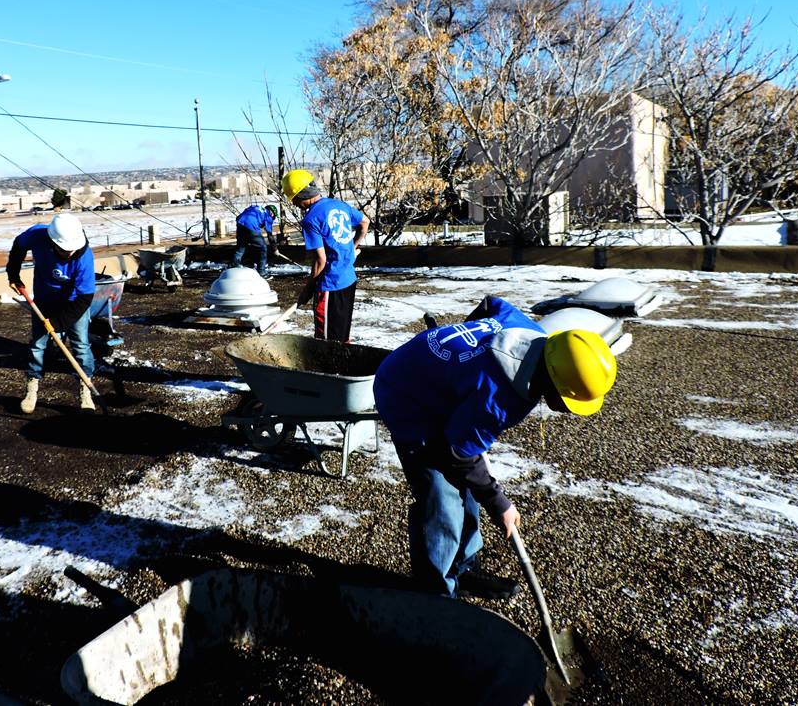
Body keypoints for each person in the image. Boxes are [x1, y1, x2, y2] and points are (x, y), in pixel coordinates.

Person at [373, 295, 618, 600]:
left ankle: (463, 567)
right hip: (405, 395)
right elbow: (459, 453)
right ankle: (434, 590)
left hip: (430, 378)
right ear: (553, 381)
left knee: (469, 484)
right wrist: (499, 502)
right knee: (443, 496)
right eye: (570, 403)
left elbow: (492, 304)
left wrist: (460, 362)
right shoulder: (498, 399)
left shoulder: (530, 332)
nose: (569, 410)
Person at [6, 212, 96, 414]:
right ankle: (32, 387)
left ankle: (85, 387)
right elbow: (18, 246)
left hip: (73, 302)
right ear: (53, 241)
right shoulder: (38, 235)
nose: (70, 254)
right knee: (37, 345)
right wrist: (13, 274)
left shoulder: (84, 258)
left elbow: (85, 298)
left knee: (81, 345)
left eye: (72, 250)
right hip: (44, 299)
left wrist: (58, 323)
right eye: (65, 250)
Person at [281, 169, 369, 342]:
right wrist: (352, 247)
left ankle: (330, 369)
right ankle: (342, 366)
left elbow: (320, 261)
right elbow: (365, 222)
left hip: (330, 285)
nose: (295, 205)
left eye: (294, 200)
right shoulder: (339, 205)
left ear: (299, 196)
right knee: (341, 334)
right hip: (349, 280)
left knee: (326, 340)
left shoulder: (310, 220)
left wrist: (307, 291)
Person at [231, 204, 279, 277]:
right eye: (274, 217)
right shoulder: (268, 215)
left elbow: (242, 215)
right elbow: (270, 236)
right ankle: (262, 272)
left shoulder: (255, 207)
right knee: (263, 248)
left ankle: (232, 270)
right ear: (272, 213)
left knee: (241, 247)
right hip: (251, 224)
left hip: (240, 223)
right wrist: (275, 249)